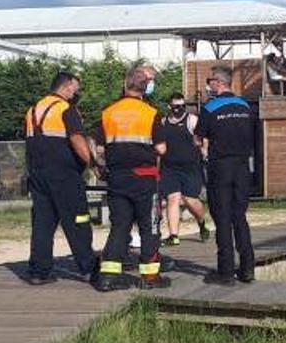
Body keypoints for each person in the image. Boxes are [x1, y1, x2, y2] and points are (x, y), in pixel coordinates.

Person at [95, 65, 171, 291]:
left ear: (124, 85)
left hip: (117, 177)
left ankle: (108, 276)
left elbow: (98, 148)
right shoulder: (151, 113)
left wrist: (101, 167)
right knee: (150, 227)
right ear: (145, 88)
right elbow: (162, 148)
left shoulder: (108, 113)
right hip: (145, 178)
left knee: (119, 226)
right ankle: (149, 278)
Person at [23, 71, 98, 286]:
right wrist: (93, 163)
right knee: (78, 221)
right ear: (65, 87)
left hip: (38, 175)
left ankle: (38, 271)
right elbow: (76, 139)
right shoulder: (67, 109)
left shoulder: (33, 110)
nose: (77, 93)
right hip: (64, 175)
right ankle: (88, 268)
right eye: (75, 89)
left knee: (42, 224)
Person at [197, 65, 259, 285]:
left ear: (218, 82)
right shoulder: (245, 106)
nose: (209, 84)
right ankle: (248, 268)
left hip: (220, 167)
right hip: (242, 167)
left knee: (222, 218)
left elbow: (199, 137)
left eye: (210, 80)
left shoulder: (210, 107)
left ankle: (225, 272)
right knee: (239, 216)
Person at [158, 93, 210, 247]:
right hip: (170, 167)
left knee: (189, 199)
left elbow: (203, 136)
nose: (179, 109)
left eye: (182, 106)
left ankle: (201, 222)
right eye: (176, 107)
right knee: (172, 199)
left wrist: (204, 149)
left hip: (190, 167)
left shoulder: (192, 120)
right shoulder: (163, 122)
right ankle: (173, 235)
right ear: (169, 107)